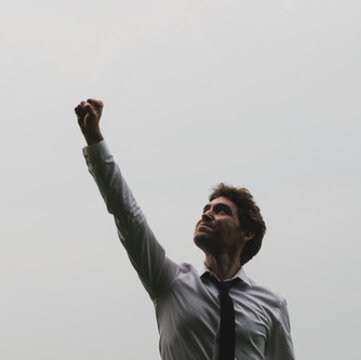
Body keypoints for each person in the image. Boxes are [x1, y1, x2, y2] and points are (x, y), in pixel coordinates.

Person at [75, 99, 295, 360]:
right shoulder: (169, 282)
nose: (207, 213)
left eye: (221, 210)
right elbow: (128, 217)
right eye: (206, 208)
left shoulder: (272, 305)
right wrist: (95, 140)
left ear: (246, 233)